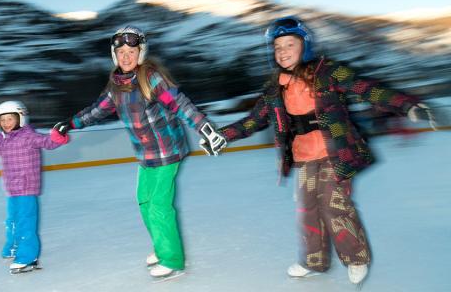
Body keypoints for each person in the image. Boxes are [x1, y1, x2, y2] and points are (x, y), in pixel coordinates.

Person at [207, 16, 436, 285]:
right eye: (277, 47)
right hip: (304, 157)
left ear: (305, 45)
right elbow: (255, 119)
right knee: (307, 210)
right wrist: (223, 136)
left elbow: (365, 88)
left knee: (333, 205)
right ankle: (314, 261)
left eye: (289, 44)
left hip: (335, 152)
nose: (282, 51)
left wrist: (406, 105)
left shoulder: (327, 72)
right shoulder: (274, 88)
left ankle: (356, 257)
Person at [52, 25, 226, 279]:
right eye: (120, 51)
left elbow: (180, 104)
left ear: (141, 52)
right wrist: (71, 123)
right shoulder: (115, 86)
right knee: (144, 201)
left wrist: (205, 128)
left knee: (158, 206)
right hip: (145, 156)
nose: (125, 56)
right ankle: (161, 246)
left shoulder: (151, 77)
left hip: (168, 151)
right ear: (114, 55)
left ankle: (173, 259)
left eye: (131, 50)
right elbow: (97, 110)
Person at [0, 100, 69, 274]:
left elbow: (47, 142)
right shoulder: (1, 139)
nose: (6, 123)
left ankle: (28, 258)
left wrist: (57, 137)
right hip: (11, 188)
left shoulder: (29, 135)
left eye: (10, 119)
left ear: (20, 118)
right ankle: (14, 246)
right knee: (12, 221)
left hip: (27, 186)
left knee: (26, 222)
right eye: (2, 120)